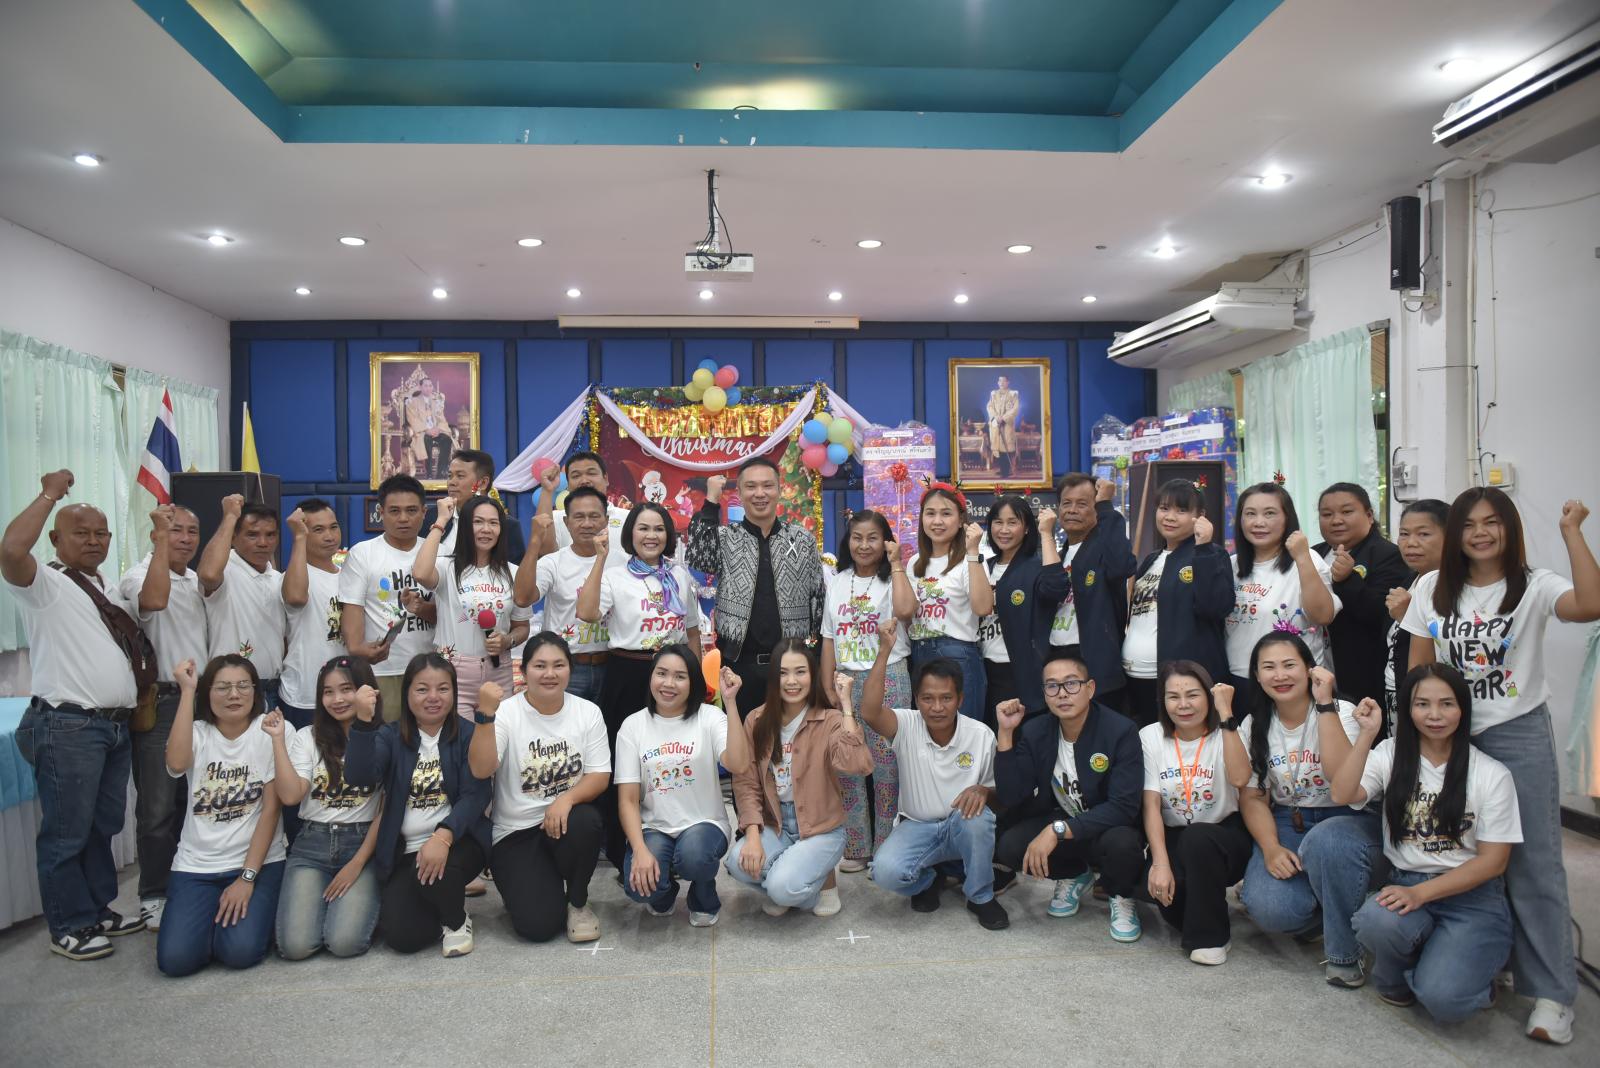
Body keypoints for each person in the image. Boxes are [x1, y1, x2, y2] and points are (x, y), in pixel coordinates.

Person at [1402, 489, 1599, 1044]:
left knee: (1532, 861)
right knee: (1463, 850)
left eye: (1492, 523)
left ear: (1510, 529)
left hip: (1517, 731)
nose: (1480, 533)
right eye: (1469, 525)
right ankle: (1496, 958)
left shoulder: (1533, 585)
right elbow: (1419, 673)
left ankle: (1554, 993)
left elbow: (1591, 604)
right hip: (1449, 732)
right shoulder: (1430, 588)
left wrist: (1572, 532)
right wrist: (1417, 736)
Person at [3, 470, 158, 959]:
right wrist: (49, 494)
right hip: (68, 725)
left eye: (101, 533)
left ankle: (96, 910)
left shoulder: (106, 586)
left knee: (101, 826)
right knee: (66, 832)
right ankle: (67, 926)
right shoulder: (45, 583)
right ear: (56, 539)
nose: (94, 541)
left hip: (112, 726)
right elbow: (11, 550)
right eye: (81, 533)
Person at [1336, 665, 1522, 1024]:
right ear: (1408, 709)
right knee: (1376, 921)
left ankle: (1459, 969)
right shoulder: (1390, 753)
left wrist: (1422, 894)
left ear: (1463, 709)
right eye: (1422, 704)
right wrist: (1366, 736)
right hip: (1407, 882)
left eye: (1446, 704)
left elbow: (1494, 861)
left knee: (1444, 1002)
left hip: (1471, 898)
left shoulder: (1491, 773)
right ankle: (1404, 974)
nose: (1434, 715)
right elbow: (1344, 793)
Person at [1234, 634, 1371, 983]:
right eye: (1269, 667)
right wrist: (1270, 848)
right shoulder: (1254, 724)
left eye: (1289, 665)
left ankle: (1346, 949)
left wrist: (1324, 705)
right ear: (1257, 676)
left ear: (1310, 668)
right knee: (1271, 908)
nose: (1280, 675)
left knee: (1330, 842)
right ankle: (1327, 911)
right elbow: (1253, 797)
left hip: (1347, 817)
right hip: (1289, 818)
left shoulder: (1343, 712)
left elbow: (1341, 780)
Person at [859, 619, 1009, 930]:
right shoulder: (906, 724)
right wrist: (885, 650)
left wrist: (984, 791)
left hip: (961, 825)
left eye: (946, 698)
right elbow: (870, 712)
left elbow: (999, 797)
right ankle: (928, 880)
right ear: (916, 699)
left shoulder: (981, 735)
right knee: (884, 872)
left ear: (960, 699)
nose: (937, 707)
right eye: (928, 698)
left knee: (979, 819)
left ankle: (980, 896)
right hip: (917, 826)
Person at [577, 502, 702, 866]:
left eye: (659, 528)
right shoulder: (615, 576)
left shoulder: (679, 575)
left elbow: (692, 630)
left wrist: (695, 678)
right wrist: (600, 559)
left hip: (673, 675)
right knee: (627, 764)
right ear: (630, 533)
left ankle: (675, 842)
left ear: (669, 535)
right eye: (643, 528)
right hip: (628, 674)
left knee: (671, 760)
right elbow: (586, 613)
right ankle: (623, 851)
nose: (651, 536)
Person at [344, 652, 492, 957]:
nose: (433, 697)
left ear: (454, 692)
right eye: (422, 689)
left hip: (458, 843)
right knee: (403, 938)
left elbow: (476, 795)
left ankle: (456, 921)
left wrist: (443, 836)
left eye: (443, 688)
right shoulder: (390, 735)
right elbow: (360, 779)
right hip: (405, 852)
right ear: (407, 693)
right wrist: (362, 724)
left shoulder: (467, 733)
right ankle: (442, 902)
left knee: (440, 874)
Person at [468, 633, 610, 943]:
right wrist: (485, 717)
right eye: (540, 665)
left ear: (570, 669)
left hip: (564, 823)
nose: (549, 674)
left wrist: (566, 800)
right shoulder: (506, 713)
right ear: (524, 671)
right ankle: (533, 884)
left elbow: (599, 775)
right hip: (515, 832)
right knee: (538, 927)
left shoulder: (587, 712)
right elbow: (480, 769)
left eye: (559, 665)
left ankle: (577, 903)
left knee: (587, 820)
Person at [992, 651, 1144, 941]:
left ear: (1090, 688)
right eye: (1052, 686)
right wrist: (1006, 733)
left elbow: (1124, 807)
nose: (1062, 693)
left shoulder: (1120, 730)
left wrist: (1057, 830)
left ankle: (1121, 893)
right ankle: (1074, 874)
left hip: (1108, 825)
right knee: (1010, 846)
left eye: (1071, 683)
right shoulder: (1036, 730)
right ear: (1044, 693)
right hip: (1065, 818)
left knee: (1123, 844)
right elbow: (1011, 795)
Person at [156, 655, 287, 977]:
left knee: (240, 952)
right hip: (196, 866)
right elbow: (176, 763)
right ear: (207, 693)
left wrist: (247, 877)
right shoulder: (196, 732)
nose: (234, 695)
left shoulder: (269, 730)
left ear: (255, 691)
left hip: (257, 864)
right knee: (176, 961)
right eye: (223, 687)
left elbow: (271, 810)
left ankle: (233, 924)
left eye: (243, 686)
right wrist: (187, 690)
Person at [726, 640, 872, 917]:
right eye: (783, 673)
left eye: (800, 672)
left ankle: (813, 884)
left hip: (822, 828)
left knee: (782, 888)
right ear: (773, 678)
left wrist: (846, 705)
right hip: (777, 825)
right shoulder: (756, 720)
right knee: (737, 863)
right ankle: (793, 883)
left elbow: (857, 764)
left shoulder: (830, 719)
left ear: (812, 675)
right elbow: (746, 783)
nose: (791, 681)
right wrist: (753, 837)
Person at [616, 646, 752, 926]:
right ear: (651, 677)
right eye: (661, 674)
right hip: (654, 827)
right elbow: (627, 800)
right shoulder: (633, 726)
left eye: (680, 676)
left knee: (694, 856)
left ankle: (704, 896)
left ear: (693, 682)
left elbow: (738, 764)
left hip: (705, 824)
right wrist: (639, 850)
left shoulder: (709, 717)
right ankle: (663, 894)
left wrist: (731, 703)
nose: (669, 683)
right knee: (640, 887)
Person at [118, 503, 205, 932]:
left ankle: (187, 884)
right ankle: (153, 893)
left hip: (203, 700)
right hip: (164, 701)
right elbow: (153, 601)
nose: (185, 538)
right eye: (175, 530)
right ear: (156, 534)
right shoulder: (139, 575)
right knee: (157, 805)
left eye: (192, 531)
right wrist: (159, 543)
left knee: (196, 799)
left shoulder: (197, 580)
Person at [263, 657, 384, 960]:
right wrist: (277, 741)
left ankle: (365, 904)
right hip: (311, 845)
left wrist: (357, 863)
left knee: (344, 943)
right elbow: (291, 796)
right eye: (328, 692)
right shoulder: (308, 736)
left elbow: (387, 810)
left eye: (347, 689)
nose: (337, 699)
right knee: (295, 947)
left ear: (366, 690)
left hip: (362, 844)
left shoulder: (386, 735)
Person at [687, 457, 825, 720]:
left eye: (767, 486)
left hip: (792, 667)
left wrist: (815, 658)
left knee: (795, 739)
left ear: (779, 490)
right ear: (739, 493)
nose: (760, 493)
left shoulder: (802, 540)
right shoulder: (726, 537)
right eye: (751, 486)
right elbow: (699, 558)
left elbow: (817, 599)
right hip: (739, 667)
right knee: (742, 740)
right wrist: (711, 502)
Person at [1139, 662, 1252, 964]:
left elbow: (1241, 778)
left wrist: (1225, 714)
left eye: (1193, 695)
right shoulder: (1150, 736)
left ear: (1209, 696)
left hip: (1225, 835)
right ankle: (1207, 910)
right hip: (1175, 835)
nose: (1183, 705)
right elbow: (1151, 804)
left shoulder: (1230, 731)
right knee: (1171, 904)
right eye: (1173, 697)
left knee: (1198, 838)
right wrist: (1160, 863)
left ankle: (1212, 939)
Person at [819, 509, 913, 871]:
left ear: (885, 541)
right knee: (848, 764)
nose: (864, 545)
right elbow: (829, 636)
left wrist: (897, 562)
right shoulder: (838, 581)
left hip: (889, 676)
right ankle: (857, 846)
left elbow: (907, 611)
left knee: (888, 766)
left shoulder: (894, 579)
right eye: (857, 537)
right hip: (846, 680)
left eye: (873, 538)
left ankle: (886, 848)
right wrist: (828, 682)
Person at [1122, 479, 1235, 726]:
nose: (1170, 517)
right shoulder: (1151, 559)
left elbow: (1215, 606)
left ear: (1200, 516)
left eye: (1181, 510)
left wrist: (1203, 547)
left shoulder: (1212, 554)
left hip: (1182, 684)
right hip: (1136, 678)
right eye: (1164, 508)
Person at [414, 494, 533, 716]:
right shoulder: (446, 567)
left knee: (498, 735)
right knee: (459, 736)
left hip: (499, 671)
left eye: (493, 523)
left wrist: (507, 640)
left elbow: (522, 627)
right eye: (478, 522)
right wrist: (441, 521)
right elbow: (420, 573)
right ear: (464, 526)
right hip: (452, 672)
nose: (486, 529)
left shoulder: (514, 573)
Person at [340, 474, 437, 719]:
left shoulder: (439, 552)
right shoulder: (363, 553)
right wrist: (358, 648)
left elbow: (449, 614)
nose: (403, 518)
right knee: (385, 737)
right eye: (394, 511)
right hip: (383, 671)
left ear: (424, 512)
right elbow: (352, 608)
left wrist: (422, 608)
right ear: (381, 512)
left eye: (411, 510)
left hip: (432, 669)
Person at [1225, 482, 1339, 688]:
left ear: (1288, 518)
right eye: (1250, 514)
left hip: (1293, 681)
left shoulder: (1307, 559)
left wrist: (1302, 557)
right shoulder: (1229, 565)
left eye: (1269, 513)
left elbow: (1323, 616)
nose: (1258, 522)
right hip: (1240, 678)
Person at [1314, 483, 1412, 706]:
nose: (1336, 520)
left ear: (1369, 515)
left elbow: (1381, 614)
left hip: (1362, 675)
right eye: (1326, 514)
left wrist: (1347, 579)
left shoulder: (1389, 555)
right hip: (1317, 666)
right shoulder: (1314, 553)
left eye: (1347, 512)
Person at [515, 485, 612, 703]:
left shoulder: (621, 562)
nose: (587, 523)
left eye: (594, 516)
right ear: (567, 523)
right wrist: (535, 542)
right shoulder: (553, 562)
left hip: (611, 667)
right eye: (579, 517)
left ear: (606, 520)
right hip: (566, 668)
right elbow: (522, 598)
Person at [906, 484, 993, 723]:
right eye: (930, 513)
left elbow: (983, 607)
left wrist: (973, 551)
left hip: (958, 655)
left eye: (946, 513)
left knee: (964, 733)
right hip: (920, 654)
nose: (937, 521)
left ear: (961, 519)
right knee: (926, 734)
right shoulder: (914, 563)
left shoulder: (969, 559)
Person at [1051, 473, 1138, 709]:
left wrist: (1106, 506)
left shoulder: (1104, 549)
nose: (1072, 510)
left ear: (1096, 508)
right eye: (1066, 503)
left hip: (1097, 668)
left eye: (1082, 504)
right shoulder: (1058, 556)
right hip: (1058, 661)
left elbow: (1123, 565)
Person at [980, 497, 1065, 724]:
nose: (1004, 530)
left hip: (1021, 673)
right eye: (998, 522)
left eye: (1012, 522)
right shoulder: (984, 566)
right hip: (985, 671)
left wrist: (1047, 534)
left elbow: (1055, 588)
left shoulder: (1035, 566)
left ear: (1027, 528)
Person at [198, 495, 287, 708]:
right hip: (231, 689)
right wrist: (230, 516)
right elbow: (208, 575)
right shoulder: (225, 570)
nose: (263, 543)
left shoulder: (278, 578)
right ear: (233, 536)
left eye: (270, 535)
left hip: (273, 688)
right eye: (252, 535)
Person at [279, 500, 347, 730]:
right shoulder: (293, 577)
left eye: (333, 527)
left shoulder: (350, 575)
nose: (329, 536)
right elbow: (296, 597)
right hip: (305, 695)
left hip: (346, 691)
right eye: (318, 530)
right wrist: (298, 537)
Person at [1383, 499, 1448, 727]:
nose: (1410, 543)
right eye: (1404, 534)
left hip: (1430, 702)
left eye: (1423, 534)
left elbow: (1448, 649)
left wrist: (1407, 616)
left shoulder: (1453, 587)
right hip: (1396, 693)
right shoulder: (1410, 580)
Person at [541, 451, 630, 565]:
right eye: (576, 476)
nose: (584, 481)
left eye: (591, 473)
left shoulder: (629, 518)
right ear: (568, 484)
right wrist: (547, 490)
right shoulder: (556, 518)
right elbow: (545, 555)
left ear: (606, 478)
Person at [438, 448, 526, 560]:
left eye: (460, 476)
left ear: (483, 483)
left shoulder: (507, 525)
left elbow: (514, 569)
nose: (451, 482)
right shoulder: (433, 518)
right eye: (450, 476)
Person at [405, 375, 456, 480]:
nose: (428, 388)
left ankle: (441, 472)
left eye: (430, 386)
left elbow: (441, 419)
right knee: (426, 440)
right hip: (422, 432)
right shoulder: (412, 402)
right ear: (420, 387)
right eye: (426, 386)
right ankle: (429, 473)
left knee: (446, 439)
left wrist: (438, 429)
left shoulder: (436, 402)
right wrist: (426, 430)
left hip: (436, 431)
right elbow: (412, 419)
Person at [984, 375, 1021, 480]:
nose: (1001, 383)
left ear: (1008, 382)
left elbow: (1015, 409)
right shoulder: (993, 394)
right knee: (998, 447)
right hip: (996, 423)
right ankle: (1002, 469)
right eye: (999, 381)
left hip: (1007, 424)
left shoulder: (1013, 394)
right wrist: (996, 417)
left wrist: (1004, 418)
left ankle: (1006, 471)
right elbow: (989, 407)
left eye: (1004, 381)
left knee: (1006, 447)